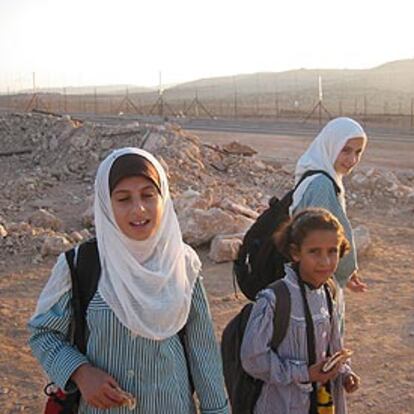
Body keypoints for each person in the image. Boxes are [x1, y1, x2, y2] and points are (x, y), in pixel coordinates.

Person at [28, 147, 229, 414]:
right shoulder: (80, 265)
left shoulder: (182, 265)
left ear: (164, 198)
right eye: (123, 199)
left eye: (148, 195)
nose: (139, 209)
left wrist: (217, 410)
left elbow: (202, 353)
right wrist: (81, 372)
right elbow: (44, 333)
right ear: (105, 204)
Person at [240, 208, 360, 414]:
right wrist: (304, 373)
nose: (325, 261)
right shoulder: (274, 299)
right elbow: (253, 360)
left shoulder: (329, 292)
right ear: (296, 252)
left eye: (332, 251)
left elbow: (333, 347)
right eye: (314, 252)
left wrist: (343, 373)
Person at [290, 117, 368, 334]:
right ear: (330, 145)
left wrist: (347, 275)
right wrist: (345, 271)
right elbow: (328, 240)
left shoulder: (314, 175)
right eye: (346, 150)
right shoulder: (322, 185)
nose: (352, 159)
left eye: (358, 152)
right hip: (317, 286)